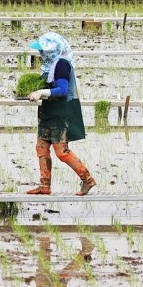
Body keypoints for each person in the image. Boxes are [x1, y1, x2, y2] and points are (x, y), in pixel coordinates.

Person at [25, 33, 96, 196]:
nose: (41, 54)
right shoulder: (50, 66)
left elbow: (63, 90)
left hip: (60, 114)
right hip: (48, 112)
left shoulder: (62, 64)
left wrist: (41, 91)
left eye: (43, 51)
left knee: (62, 152)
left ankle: (87, 180)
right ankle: (44, 186)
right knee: (41, 147)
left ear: (52, 51)